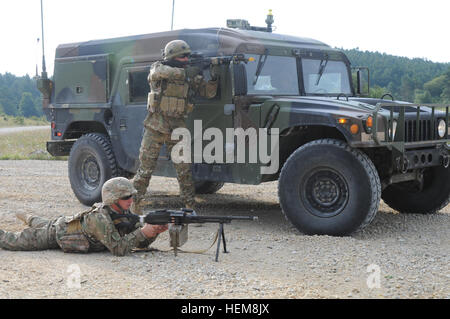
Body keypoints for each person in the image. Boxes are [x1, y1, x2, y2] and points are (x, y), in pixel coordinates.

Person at [131, 39, 219, 214]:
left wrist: (214, 74)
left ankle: (189, 207)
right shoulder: (158, 68)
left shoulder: (190, 75)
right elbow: (158, 73)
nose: (186, 60)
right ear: (172, 57)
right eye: (182, 57)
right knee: (145, 170)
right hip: (155, 126)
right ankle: (133, 205)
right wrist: (187, 73)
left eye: (188, 58)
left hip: (177, 127)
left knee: (184, 171)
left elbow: (208, 92)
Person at [0, 177, 168, 256]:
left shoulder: (123, 213)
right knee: (12, 241)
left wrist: (153, 231)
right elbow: (119, 249)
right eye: (126, 197)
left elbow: (136, 240)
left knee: (40, 222)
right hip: (57, 234)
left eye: (131, 196)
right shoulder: (100, 218)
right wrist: (144, 232)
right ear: (113, 199)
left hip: (65, 224)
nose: (131, 200)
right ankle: (27, 218)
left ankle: (27, 217)